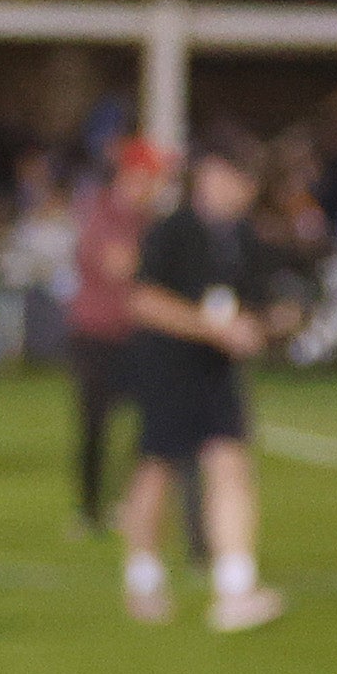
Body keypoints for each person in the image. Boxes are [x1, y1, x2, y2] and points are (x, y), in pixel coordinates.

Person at [115, 145, 288, 632]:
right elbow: (143, 301)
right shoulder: (172, 231)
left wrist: (264, 324)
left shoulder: (244, 237)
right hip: (167, 367)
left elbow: (255, 302)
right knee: (157, 470)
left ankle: (235, 589)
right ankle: (143, 577)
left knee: (230, 464)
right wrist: (212, 329)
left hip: (218, 370)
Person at [63, 141, 151, 538]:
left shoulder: (147, 220)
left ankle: (130, 504)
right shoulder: (103, 213)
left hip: (139, 334)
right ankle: (90, 511)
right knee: (94, 427)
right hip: (96, 334)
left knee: (148, 425)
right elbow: (118, 265)